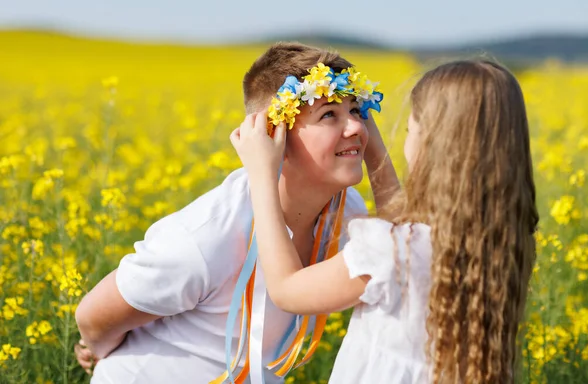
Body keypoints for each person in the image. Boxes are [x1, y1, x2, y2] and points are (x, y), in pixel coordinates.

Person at [74, 42, 389, 383]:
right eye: (329, 114)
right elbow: (93, 317)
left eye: (358, 111)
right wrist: (97, 351)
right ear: (274, 134)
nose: (358, 128)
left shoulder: (349, 212)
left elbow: (404, 253)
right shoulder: (208, 234)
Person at [231, 59, 539, 383]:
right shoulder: (502, 243)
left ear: (432, 146)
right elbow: (405, 228)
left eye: (410, 129)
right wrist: (368, 144)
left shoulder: (391, 250)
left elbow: (287, 290)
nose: (354, 126)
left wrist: (262, 175)